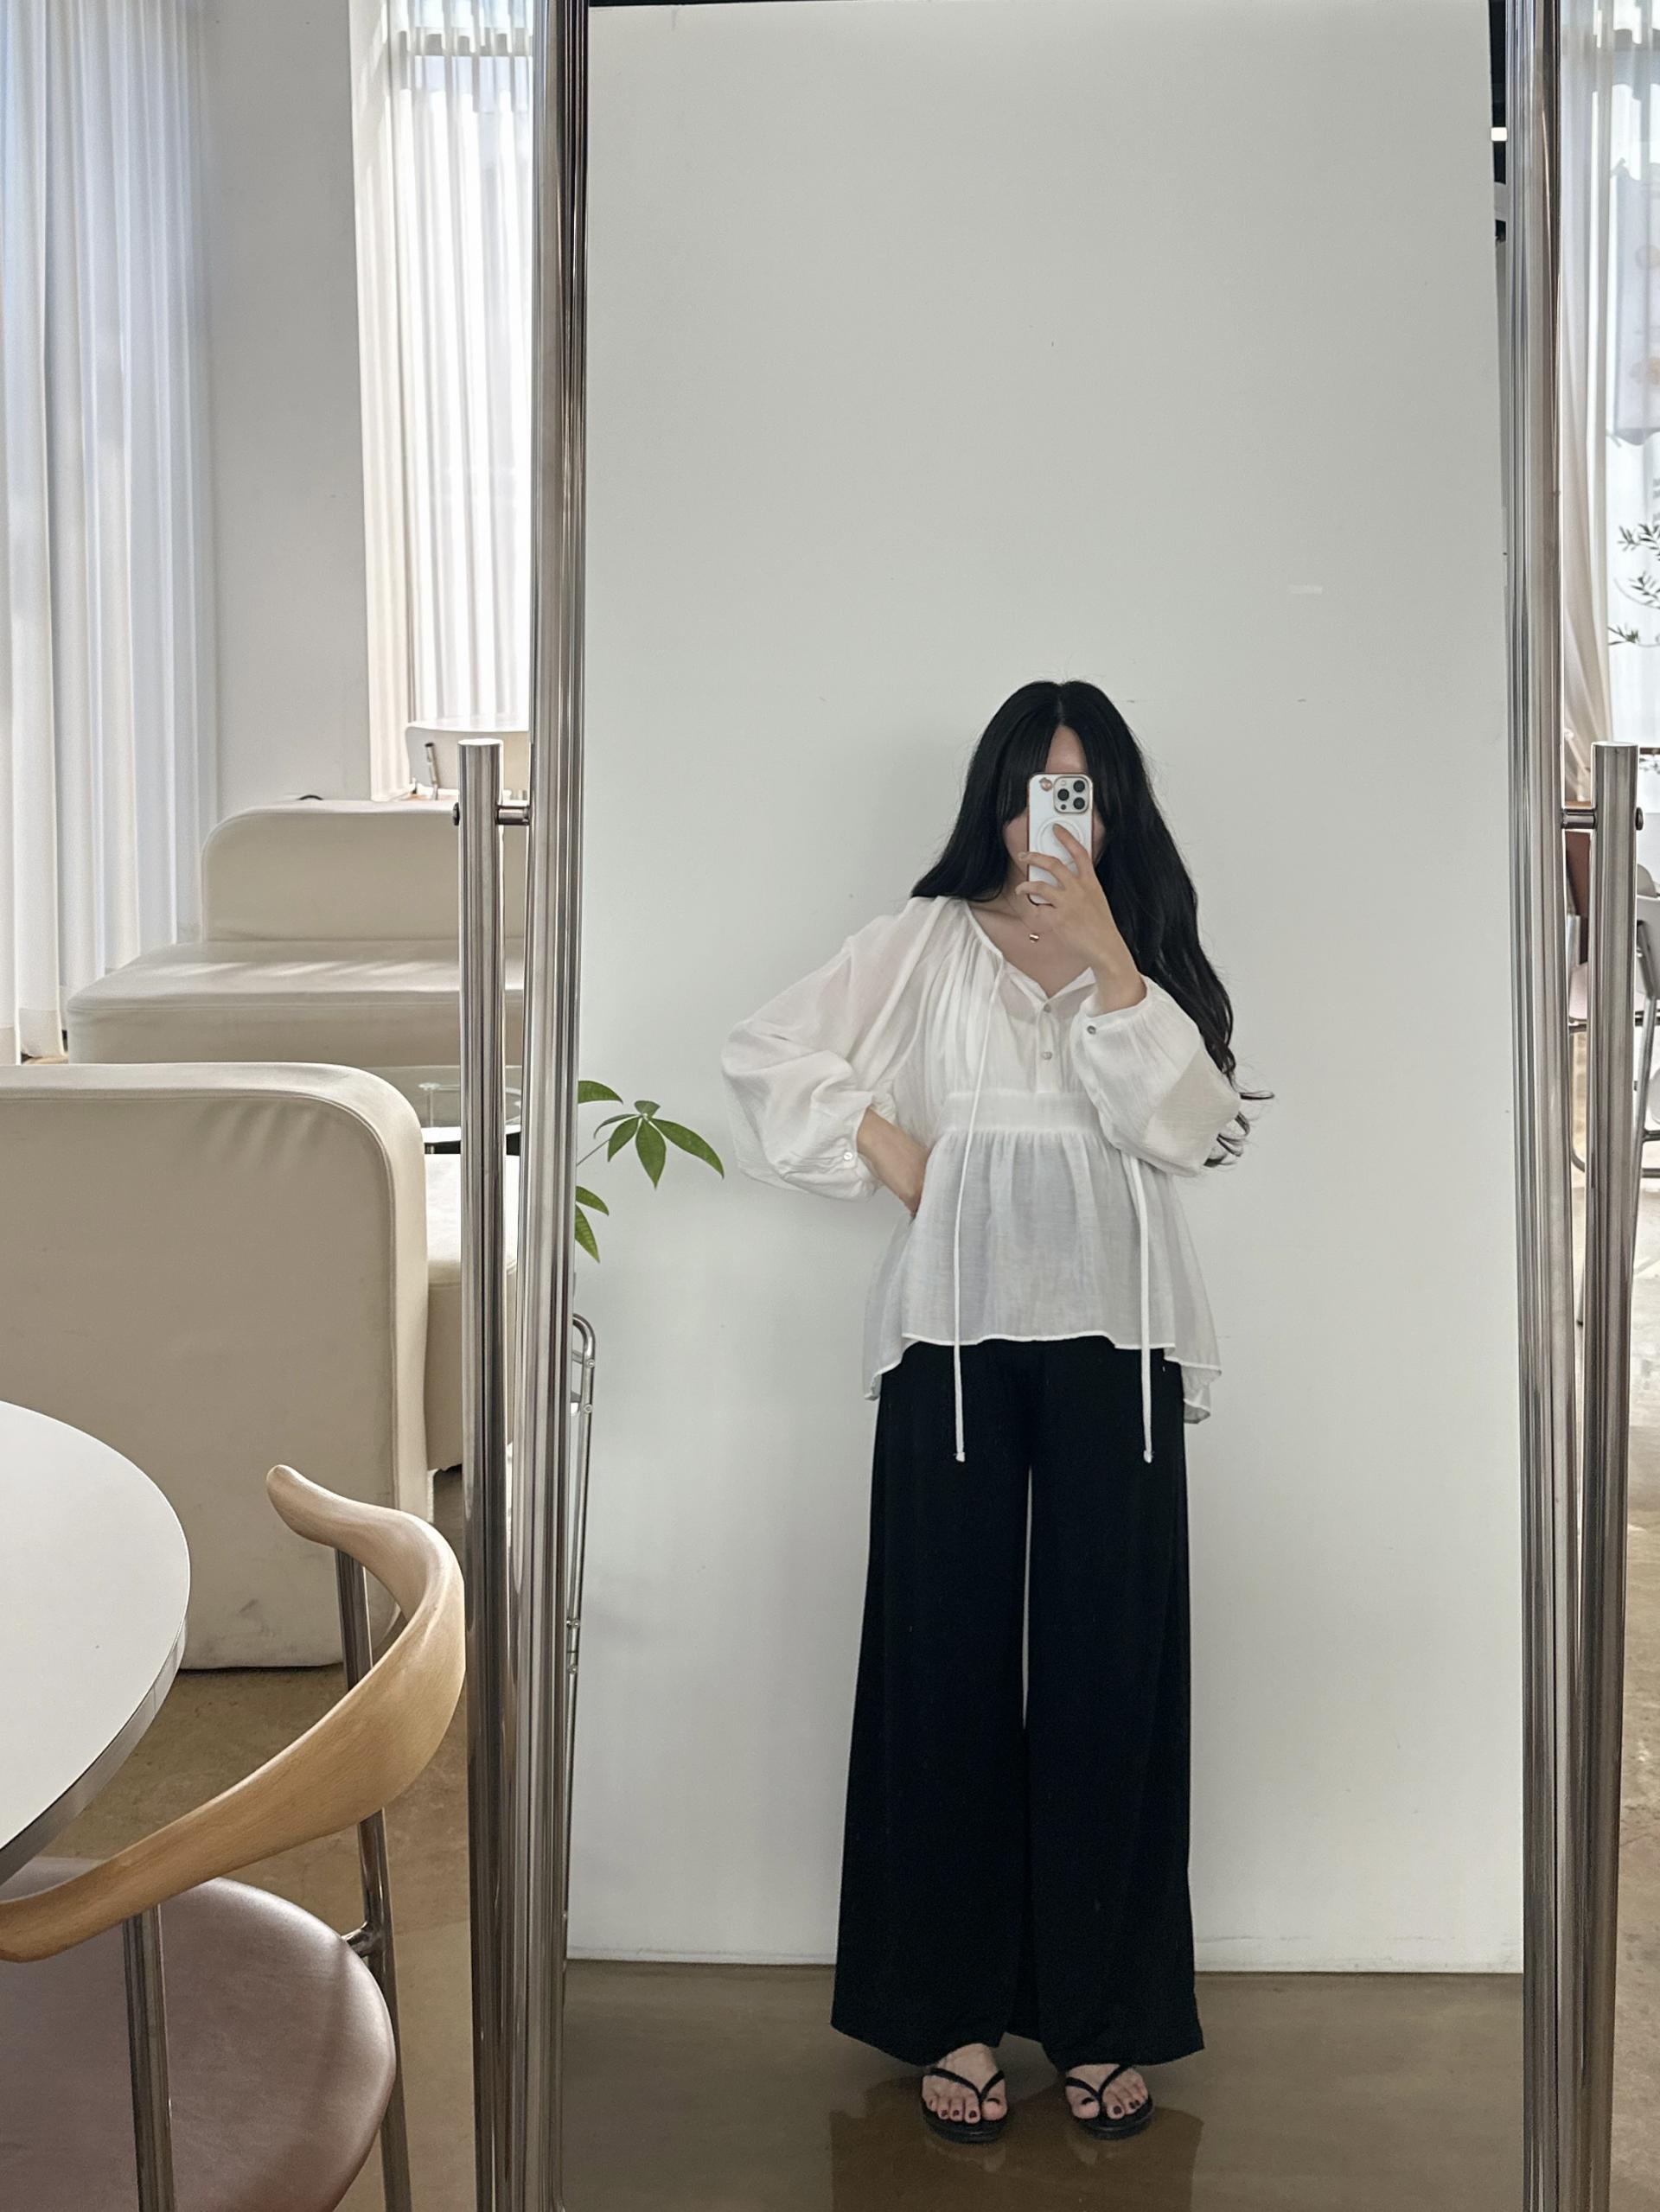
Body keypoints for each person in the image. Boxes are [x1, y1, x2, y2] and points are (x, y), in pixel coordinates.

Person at [720, 678, 1263, 2145]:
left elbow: (1193, 1132)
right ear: (996, 799)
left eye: (1078, 791)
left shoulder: (1142, 949)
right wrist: (899, 1154)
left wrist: (1108, 962)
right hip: (951, 1334)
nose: (1050, 819)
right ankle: (950, 2010)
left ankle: (1102, 2016)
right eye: (1033, 788)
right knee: (940, 1663)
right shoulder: (923, 940)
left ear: (1115, 808)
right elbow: (766, 1049)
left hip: (1119, 1335)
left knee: (1111, 1672)